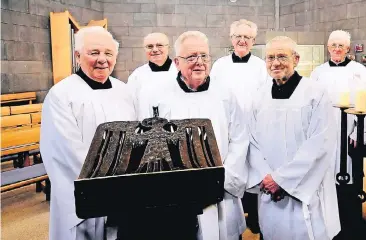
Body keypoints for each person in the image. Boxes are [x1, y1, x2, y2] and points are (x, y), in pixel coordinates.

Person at [138, 31, 249, 240]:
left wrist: (224, 176)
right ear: (177, 62)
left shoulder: (226, 93)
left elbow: (240, 139)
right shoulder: (156, 95)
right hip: (176, 193)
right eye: (191, 57)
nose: (199, 62)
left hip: (221, 187)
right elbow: (148, 144)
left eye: (204, 56)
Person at [40, 26, 136, 239]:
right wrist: (107, 184)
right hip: (84, 193)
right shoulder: (62, 95)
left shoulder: (125, 92)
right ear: (77, 55)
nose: (102, 59)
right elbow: (66, 151)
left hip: (124, 190)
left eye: (108, 53)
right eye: (94, 53)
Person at [247, 36, 340, 240]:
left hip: (304, 188)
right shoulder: (259, 96)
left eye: (282, 56)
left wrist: (282, 180)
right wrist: (266, 178)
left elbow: (321, 142)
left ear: (296, 59)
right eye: (270, 57)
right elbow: (252, 142)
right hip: (269, 187)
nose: (275, 62)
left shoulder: (315, 93)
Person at [310, 30, 366, 239]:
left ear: (348, 49)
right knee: (323, 178)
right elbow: (311, 103)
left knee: (348, 178)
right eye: (333, 45)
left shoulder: (359, 71)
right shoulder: (318, 72)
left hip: (348, 134)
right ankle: (325, 221)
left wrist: (360, 132)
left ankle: (349, 222)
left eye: (341, 45)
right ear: (328, 47)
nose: (337, 49)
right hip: (324, 133)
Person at [210, 19, 269, 234]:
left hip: (254, 129)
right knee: (232, 168)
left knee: (254, 170)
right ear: (231, 39)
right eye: (238, 36)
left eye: (247, 37)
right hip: (229, 131)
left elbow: (266, 97)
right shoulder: (220, 66)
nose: (242, 40)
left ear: (253, 41)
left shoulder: (261, 66)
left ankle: (254, 216)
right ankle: (234, 216)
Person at [128, 32, 177, 109]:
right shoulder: (137, 75)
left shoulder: (180, 72)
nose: (155, 50)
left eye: (159, 45)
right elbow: (131, 105)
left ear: (168, 48)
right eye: (150, 46)